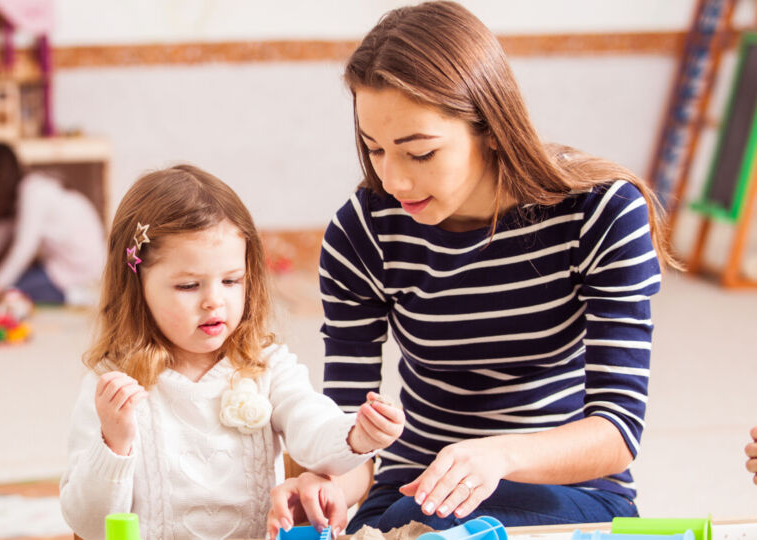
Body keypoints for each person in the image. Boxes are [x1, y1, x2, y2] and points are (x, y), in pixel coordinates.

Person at [266, 1, 679, 535]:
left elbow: (617, 431)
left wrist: (495, 457)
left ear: (489, 126)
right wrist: (323, 487)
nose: (395, 181)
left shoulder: (599, 215)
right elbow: (350, 435)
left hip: (568, 494)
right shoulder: (363, 232)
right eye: (375, 150)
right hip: (415, 490)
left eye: (420, 153)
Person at [59, 165, 406, 539]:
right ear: (137, 286)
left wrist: (358, 435)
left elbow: (313, 429)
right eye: (188, 285)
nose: (214, 301)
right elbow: (86, 523)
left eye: (231, 280)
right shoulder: (113, 382)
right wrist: (115, 441)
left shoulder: (265, 365)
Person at [0, 142, 106, 306]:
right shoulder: (23, 192)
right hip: (58, 263)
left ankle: (76, 295)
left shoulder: (33, 192)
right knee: (16, 282)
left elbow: (24, 247)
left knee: (12, 292)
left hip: (80, 269)